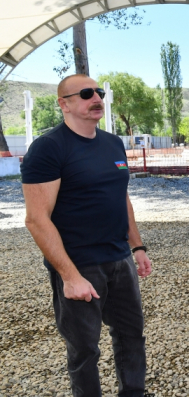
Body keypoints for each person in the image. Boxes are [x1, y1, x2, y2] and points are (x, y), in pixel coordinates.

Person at [21, 74, 153, 397]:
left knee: (131, 335)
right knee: (84, 351)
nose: (96, 98)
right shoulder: (48, 149)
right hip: (79, 266)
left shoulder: (113, 143)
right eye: (85, 93)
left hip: (119, 260)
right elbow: (37, 219)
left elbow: (121, 198)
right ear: (63, 104)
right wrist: (69, 275)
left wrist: (136, 246)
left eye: (98, 92)